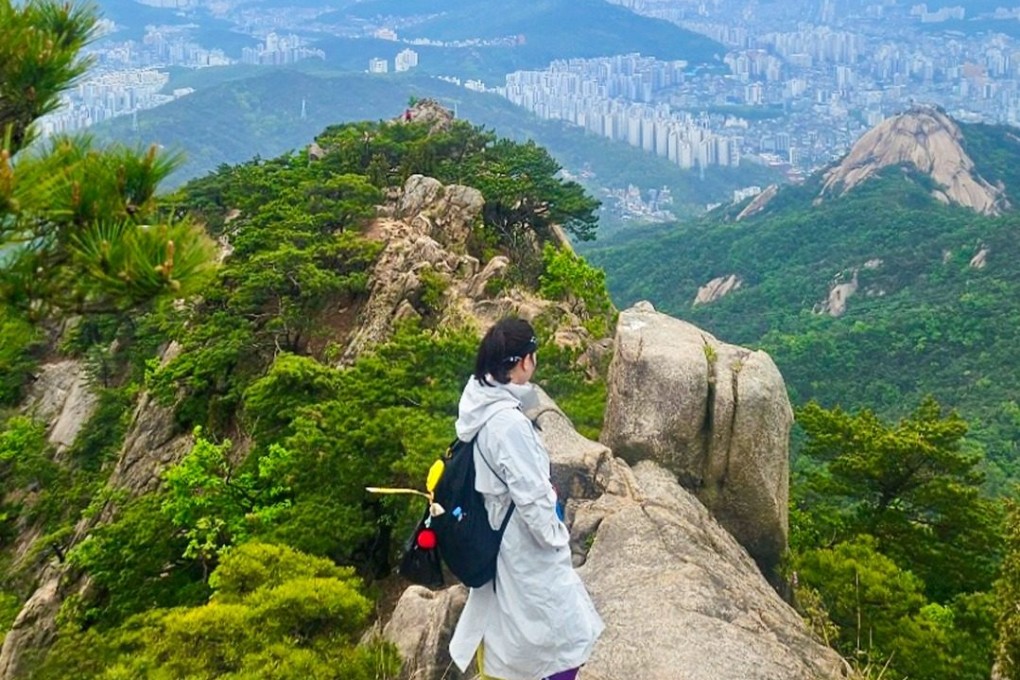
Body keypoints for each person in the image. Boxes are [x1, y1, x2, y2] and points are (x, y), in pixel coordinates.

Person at [449, 317, 604, 680]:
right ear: (523, 362)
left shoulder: (479, 400)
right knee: (558, 642)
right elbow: (532, 499)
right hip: (523, 547)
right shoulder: (507, 425)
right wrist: (557, 541)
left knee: (516, 638)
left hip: (500, 538)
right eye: (533, 357)